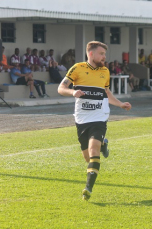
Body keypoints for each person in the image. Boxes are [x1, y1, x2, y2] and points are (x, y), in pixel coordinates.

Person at [57, 41, 132, 201]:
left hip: (99, 116)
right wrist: (73, 92)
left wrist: (120, 104)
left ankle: (88, 188)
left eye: (104, 54)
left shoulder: (105, 71)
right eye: (101, 54)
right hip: (82, 118)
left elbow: (106, 93)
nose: (104, 57)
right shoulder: (77, 68)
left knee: (93, 151)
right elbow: (60, 89)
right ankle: (103, 143)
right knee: (87, 158)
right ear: (91, 54)